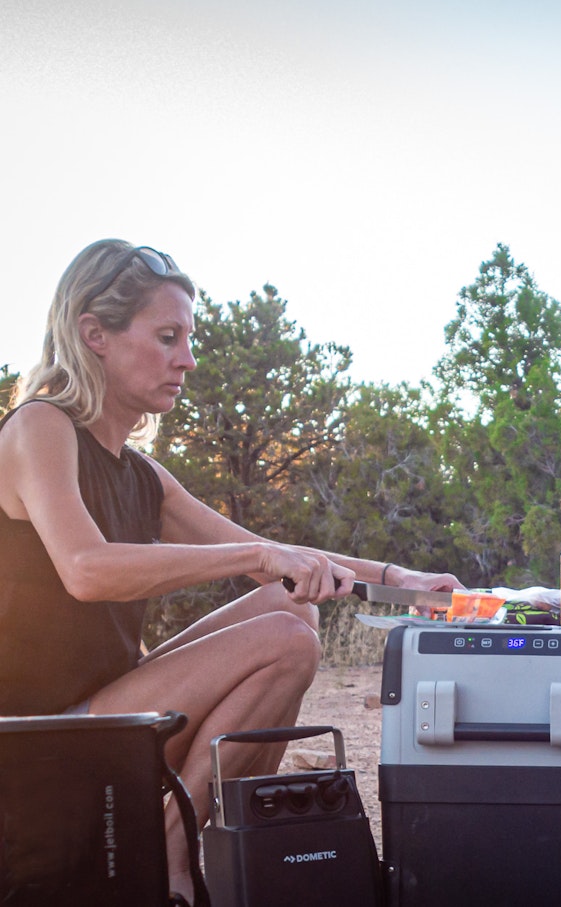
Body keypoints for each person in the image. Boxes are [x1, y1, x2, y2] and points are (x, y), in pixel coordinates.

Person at [0, 239, 463, 902]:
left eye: (189, 338)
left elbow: (266, 548)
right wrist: (258, 559)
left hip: (109, 718)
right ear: (93, 334)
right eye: (167, 337)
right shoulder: (38, 427)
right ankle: (166, 850)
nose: (187, 359)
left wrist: (402, 579)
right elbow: (86, 569)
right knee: (286, 634)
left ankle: (180, 842)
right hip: (35, 745)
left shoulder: (142, 476)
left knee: (289, 610)